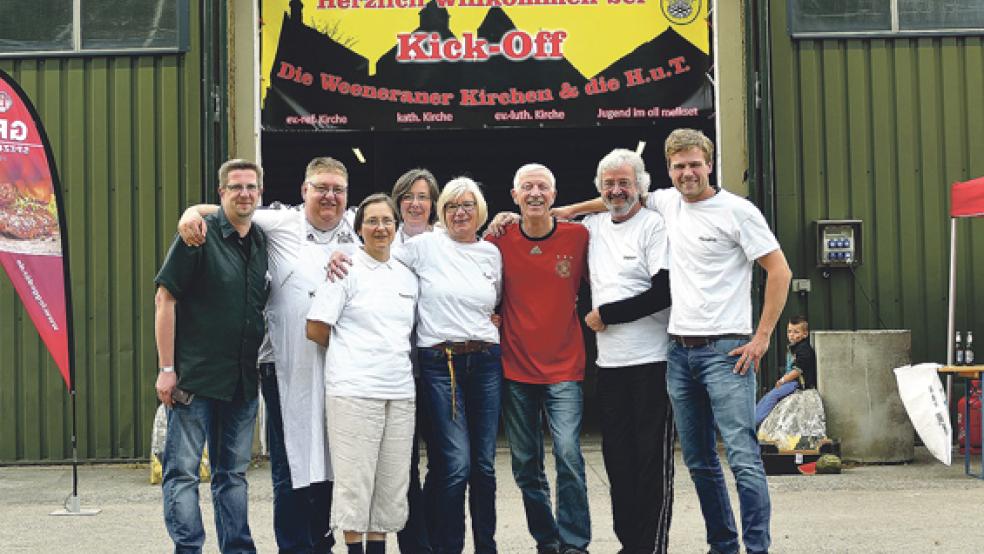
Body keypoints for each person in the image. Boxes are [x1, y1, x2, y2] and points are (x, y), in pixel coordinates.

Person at [555, 129, 792, 554]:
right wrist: (569, 209)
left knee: (742, 458)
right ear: (668, 170)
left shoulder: (738, 211)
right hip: (679, 353)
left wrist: (761, 338)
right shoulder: (666, 201)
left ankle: (756, 547)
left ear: (709, 164)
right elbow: (618, 196)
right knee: (699, 462)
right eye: (679, 166)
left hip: (727, 352)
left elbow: (780, 271)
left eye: (695, 164)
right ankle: (723, 545)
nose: (687, 173)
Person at [177, 156, 358, 553]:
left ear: (347, 195)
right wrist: (192, 211)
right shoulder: (280, 223)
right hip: (284, 364)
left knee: (331, 459)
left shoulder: (358, 229)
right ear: (303, 191)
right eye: (321, 188)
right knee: (291, 462)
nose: (329, 196)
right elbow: (231, 209)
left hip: (341, 367)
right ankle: (293, 546)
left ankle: (322, 543)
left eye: (337, 189)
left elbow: (414, 232)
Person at [154, 159, 269, 553]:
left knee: (232, 475)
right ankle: (189, 549)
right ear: (221, 193)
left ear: (260, 193)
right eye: (235, 187)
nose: (244, 194)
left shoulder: (262, 240)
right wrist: (166, 369)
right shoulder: (196, 237)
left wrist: (195, 208)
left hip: (241, 382)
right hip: (195, 379)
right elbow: (165, 299)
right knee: (183, 473)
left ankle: (237, 548)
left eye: (251, 187)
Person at [484, 164, 591, 554]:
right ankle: (546, 539)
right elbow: (467, 274)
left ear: (554, 194)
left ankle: (575, 542)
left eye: (542, 187)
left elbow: (626, 204)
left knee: (567, 453)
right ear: (513, 196)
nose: (534, 193)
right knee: (526, 463)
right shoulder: (498, 238)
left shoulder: (578, 235)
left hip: (565, 368)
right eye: (526, 187)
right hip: (515, 369)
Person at [306, 194, 419, 554]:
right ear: (359, 230)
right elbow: (316, 327)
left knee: (389, 484)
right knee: (355, 484)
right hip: (354, 392)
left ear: (396, 227)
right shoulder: (345, 269)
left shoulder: (406, 276)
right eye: (372, 221)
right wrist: (349, 355)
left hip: (400, 393)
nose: (380, 228)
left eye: (387, 221)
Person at [396, 178, 503, 554]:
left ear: (480, 211)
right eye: (452, 206)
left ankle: (485, 546)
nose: (461, 212)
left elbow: (496, 303)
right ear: (442, 213)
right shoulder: (422, 246)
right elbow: (376, 260)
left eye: (468, 205)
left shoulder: (491, 252)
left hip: (487, 361)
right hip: (442, 364)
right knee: (456, 465)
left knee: (484, 467)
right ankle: (446, 546)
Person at [582, 151, 675, 554]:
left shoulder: (654, 226)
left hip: (652, 362)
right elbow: (546, 230)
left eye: (624, 183)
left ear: (640, 185)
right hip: (610, 365)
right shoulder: (592, 227)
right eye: (609, 183)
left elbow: (663, 291)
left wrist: (608, 314)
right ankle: (629, 544)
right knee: (617, 460)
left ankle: (650, 547)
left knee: (650, 462)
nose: (616, 190)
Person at [390, 168, 440, 554]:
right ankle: (415, 546)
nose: (415, 204)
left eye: (422, 196)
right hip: (397, 368)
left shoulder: (449, 241)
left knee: (445, 461)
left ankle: (441, 540)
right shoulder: (381, 240)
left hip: (438, 367)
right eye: (408, 196)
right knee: (403, 467)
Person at [755, 316, 816, 427]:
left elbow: (797, 371)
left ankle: (755, 422)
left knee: (773, 396)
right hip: (791, 382)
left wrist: (783, 380)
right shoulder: (795, 347)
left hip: (797, 383)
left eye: (796, 332)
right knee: (769, 395)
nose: (791, 335)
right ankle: (753, 418)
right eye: (789, 331)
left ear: (805, 334)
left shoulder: (804, 349)